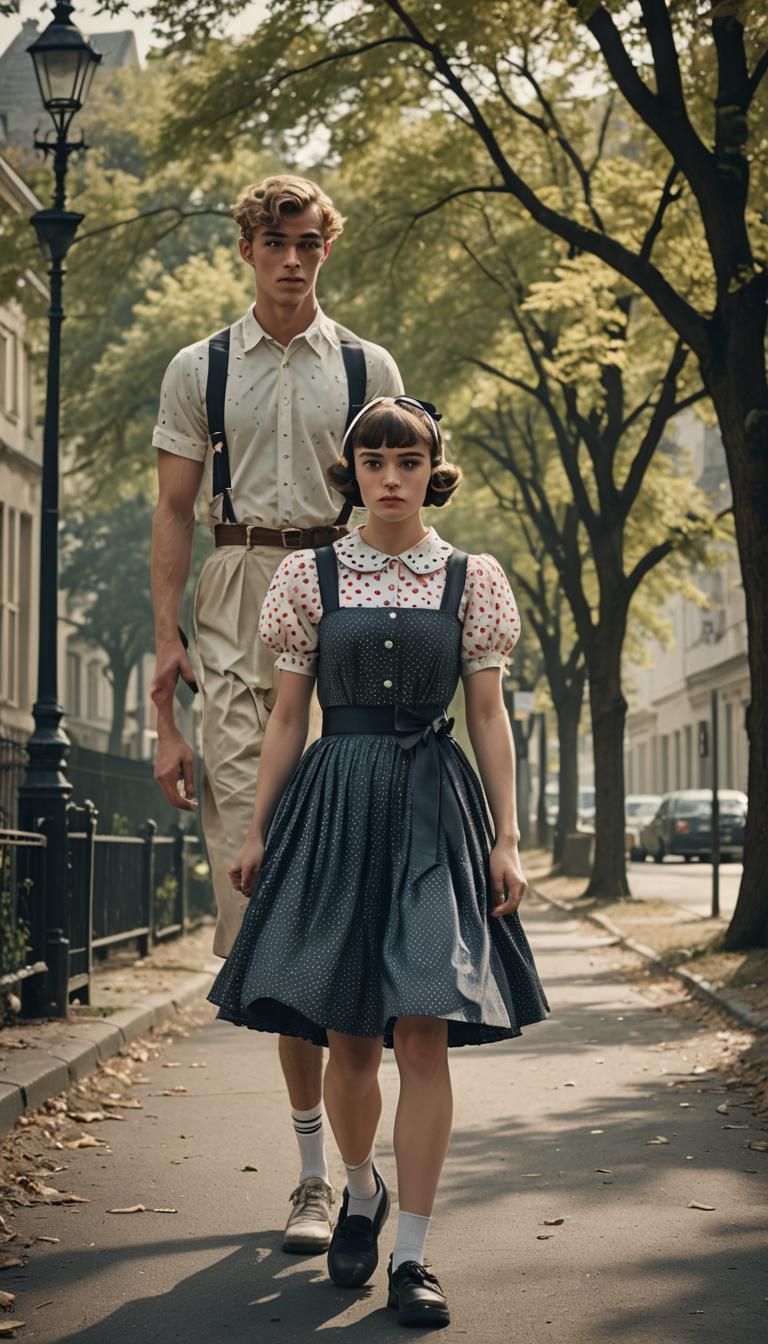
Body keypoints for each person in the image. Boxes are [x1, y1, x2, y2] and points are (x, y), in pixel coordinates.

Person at [209, 396, 548, 1328]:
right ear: (351, 472)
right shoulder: (308, 577)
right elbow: (285, 718)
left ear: (432, 469)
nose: (390, 478)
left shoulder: (473, 580)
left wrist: (507, 838)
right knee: (350, 1034)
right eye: (373, 462)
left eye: (408, 462)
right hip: (336, 803)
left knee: (424, 1027)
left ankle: (413, 1257)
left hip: (435, 812)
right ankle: (359, 1190)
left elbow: (488, 717)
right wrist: (256, 828)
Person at [149, 175, 403, 1254]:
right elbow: (171, 509)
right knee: (262, 903)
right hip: (238, 599)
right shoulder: (199, 368)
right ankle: (315, 1173)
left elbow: (401, 499)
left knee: (348, 897)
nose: (295, 259)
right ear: (248, 248)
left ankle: (357, 1172)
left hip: (348, 604)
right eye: (277, 242)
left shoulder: (367, 369)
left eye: (310, 244)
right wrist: (165, 653)